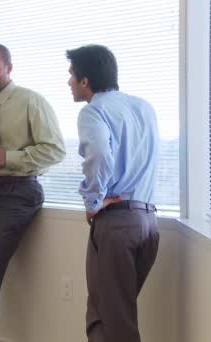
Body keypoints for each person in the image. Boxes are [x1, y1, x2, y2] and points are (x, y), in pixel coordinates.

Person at [0, 43, 66, 342]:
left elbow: (55, 150)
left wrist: (7, 158)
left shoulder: (32, 101)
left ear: (9, 68)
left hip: (19, 193)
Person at [66, 44, 160, 342]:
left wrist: (93, 202)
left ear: (85, 81)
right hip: (148, 224)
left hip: (117, 225)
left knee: (114, 321)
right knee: (108, 314)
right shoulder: (144, 107)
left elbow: (99, 156)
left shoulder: (92, 111)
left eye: (71, 75)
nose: (68, 81)